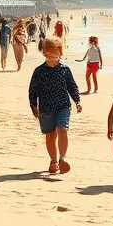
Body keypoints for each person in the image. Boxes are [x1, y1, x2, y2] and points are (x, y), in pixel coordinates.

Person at [27, 35, 82, 175]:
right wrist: (33, 106)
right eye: (49, 53)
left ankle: (62, 159)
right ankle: (54, 161)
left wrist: (77, 101)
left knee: (62, 129)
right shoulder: (39, 71)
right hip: (45, 108)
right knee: (50, 135)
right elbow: (33, 90)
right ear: (44, 53)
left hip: (63, 106)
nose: (53, 56)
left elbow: (72, 86)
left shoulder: (65, 70)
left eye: (56, 53)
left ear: (61, 53)